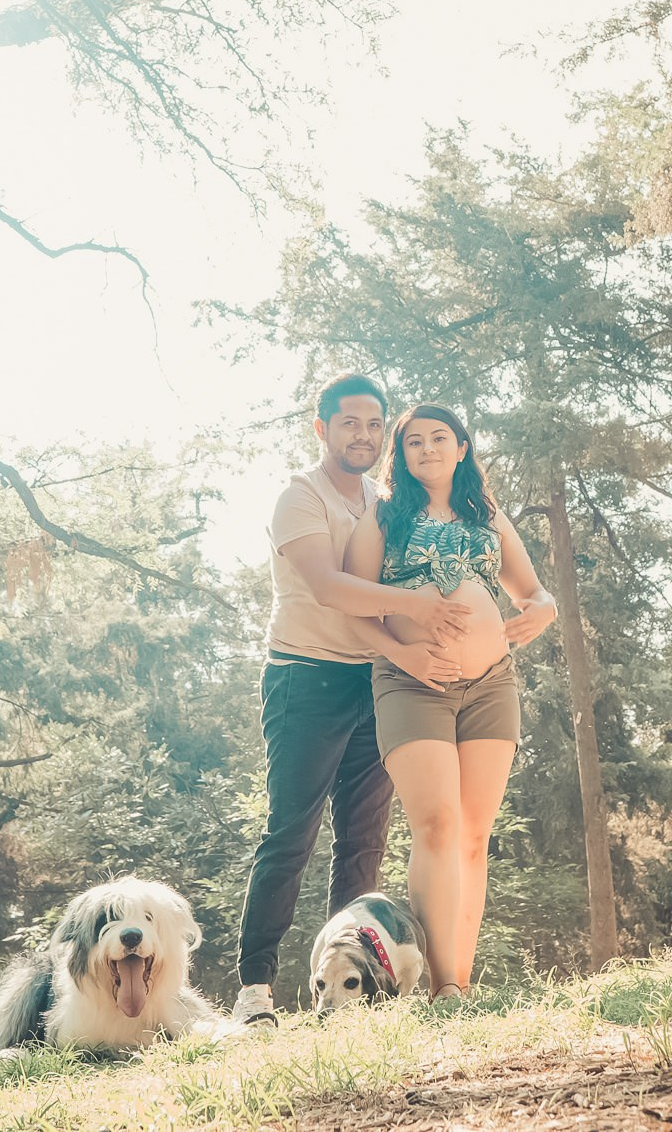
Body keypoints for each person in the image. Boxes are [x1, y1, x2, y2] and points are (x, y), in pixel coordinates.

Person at [231, 375, 471, 1025]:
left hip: (374, 679)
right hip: (303, 680)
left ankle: (349, 989)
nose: (362, 435)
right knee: (290, 834)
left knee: (362, 842)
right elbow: (329, 587)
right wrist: (413, 605)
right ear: (323, 429)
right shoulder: (299, 498)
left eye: (373, 424)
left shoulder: (382, 499)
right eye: (349, 423)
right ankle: (255, 991)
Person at [343, 403, 556, 1000]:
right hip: (412, 686)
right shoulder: (382, 519)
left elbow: (533, 591)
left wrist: (543, 609)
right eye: (414, 441)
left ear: (462, 449)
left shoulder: (486, 514)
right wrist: (405, 655)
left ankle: (458, 983)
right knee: (436, 825)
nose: (428, 449)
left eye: (440, 438)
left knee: (472, 836)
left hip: (492, 684)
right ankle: (439, 988)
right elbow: (350, 605)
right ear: (401, 456)